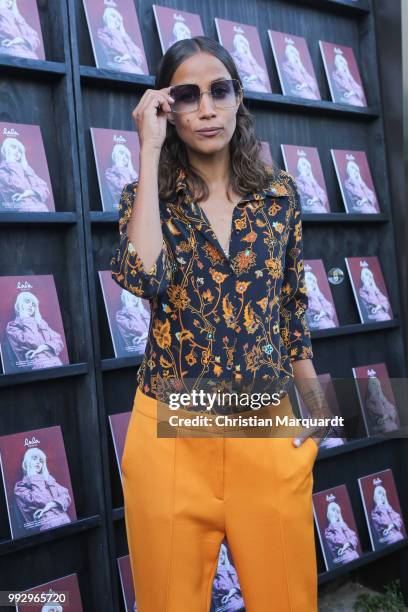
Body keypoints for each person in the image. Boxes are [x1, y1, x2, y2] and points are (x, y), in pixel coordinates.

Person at [110, 35, 332, 612]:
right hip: (171, 439)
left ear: (239, 99)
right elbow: (142, 275)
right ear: (166, 107)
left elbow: (291, 307)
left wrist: (316, 412)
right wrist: (148, 149)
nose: (206, 108)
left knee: (288, 601)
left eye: (219, 91)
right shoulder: (145, 199)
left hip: (266, 429)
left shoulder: (280, 196)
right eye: (187, 95)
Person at [14, 447, 72, 533]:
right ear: (27, 463)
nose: (38, 462)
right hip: (48, 528)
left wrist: (49, 506)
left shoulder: (49, 480)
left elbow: (66, 497)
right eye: (34, 459)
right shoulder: (20, 487)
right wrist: (34, 477)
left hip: (66, 522)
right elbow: (41, 500)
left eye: (41, 460)